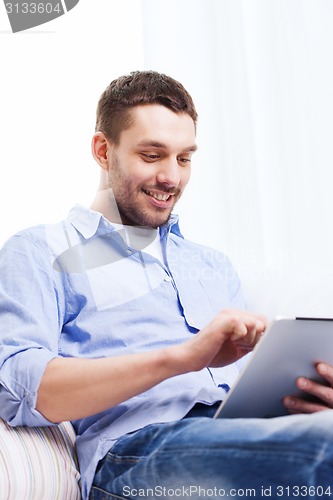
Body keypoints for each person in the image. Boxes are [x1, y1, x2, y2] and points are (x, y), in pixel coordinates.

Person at [0, 71, 333, 500]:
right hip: (137, 456)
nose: (171, 178)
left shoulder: (212, 265)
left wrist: (306, 402)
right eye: (152, 155)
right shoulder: (39, 251)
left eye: (184, 158)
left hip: (239, 435)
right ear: (104, 151)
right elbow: (20, 390)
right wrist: (182, 358)